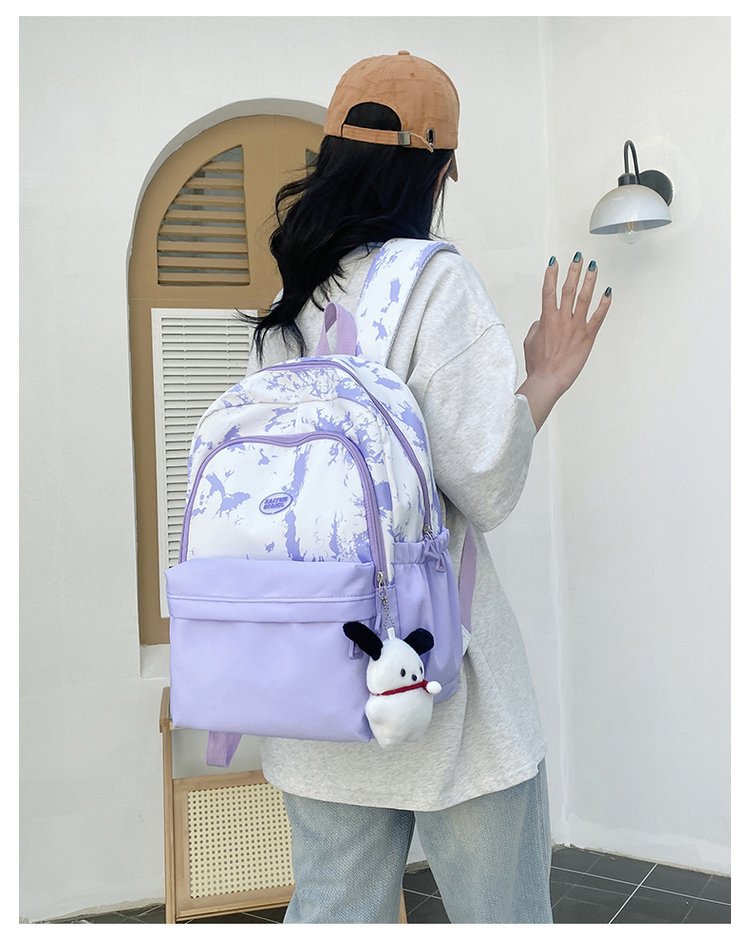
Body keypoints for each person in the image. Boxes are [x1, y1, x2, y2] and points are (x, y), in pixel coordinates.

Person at [243, 51, 611, 925]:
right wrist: (544, 381)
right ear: (440, 170)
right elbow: (483, 482)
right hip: (441, 679)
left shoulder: (291, 297)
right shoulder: (434, 281)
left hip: (314, 676)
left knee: (334, 910)